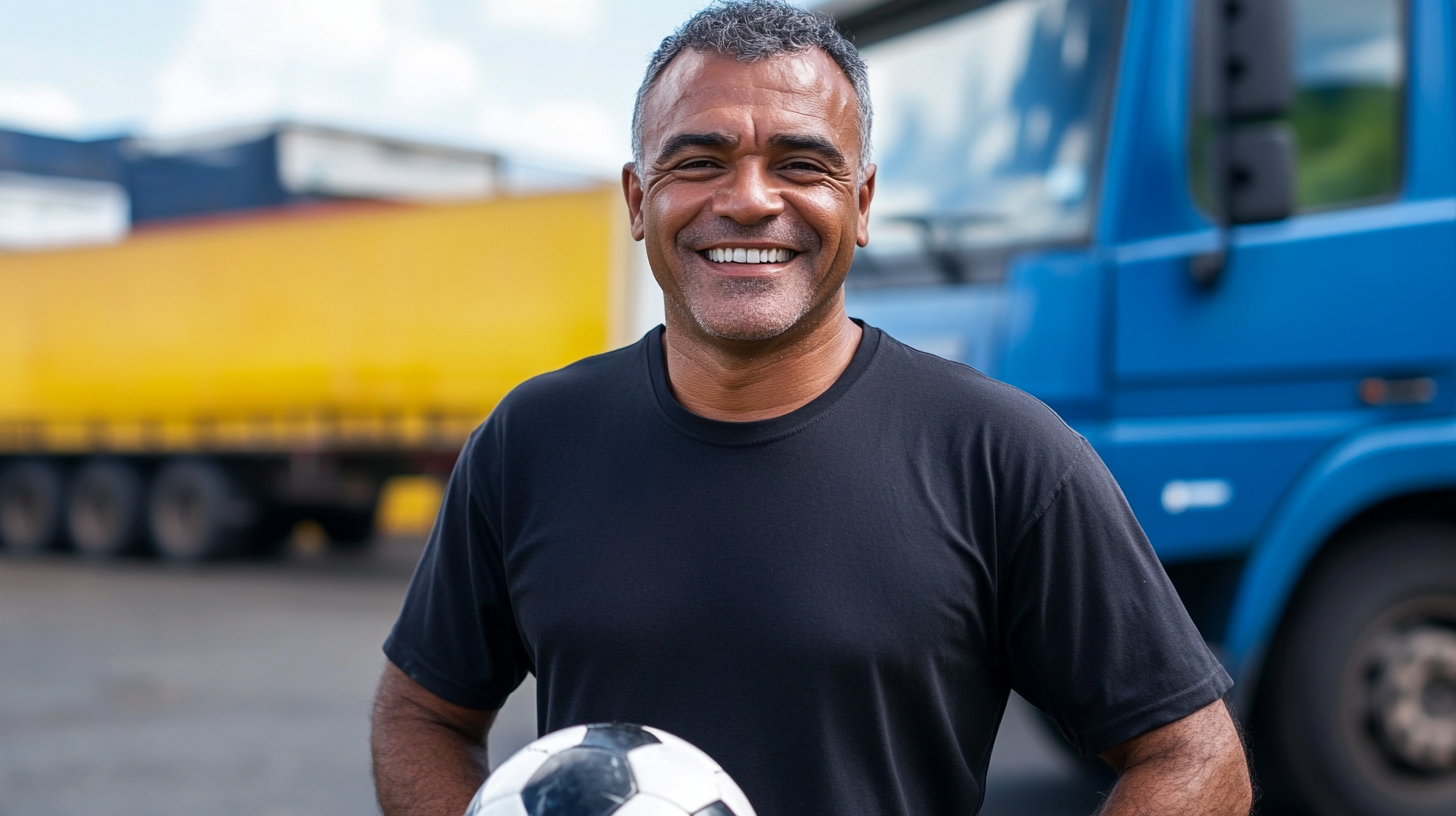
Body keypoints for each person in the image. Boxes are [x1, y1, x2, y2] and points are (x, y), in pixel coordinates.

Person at [370, 3, 1253, 815]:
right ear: (640, 201)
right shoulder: (532, 440)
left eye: (801, 163)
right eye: (699, 161)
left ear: (860, 204)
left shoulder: (1005, 455)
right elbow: (421, 715)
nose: (750, 199)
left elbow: (1196, 758)